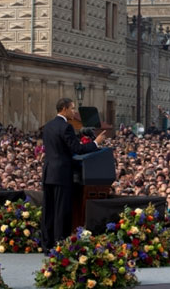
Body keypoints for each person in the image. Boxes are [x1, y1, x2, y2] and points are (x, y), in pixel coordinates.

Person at [41, 98, 106, 254]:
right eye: (72, 108)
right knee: (61, 210)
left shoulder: (48, 126)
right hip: (62, 174)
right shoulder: (66, 127)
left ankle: (46, 244)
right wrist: (96, 143)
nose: (74, 112)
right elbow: (77, 149)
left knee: (48, 210)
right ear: (64, 109)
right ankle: (59, 243)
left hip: (49, 172)